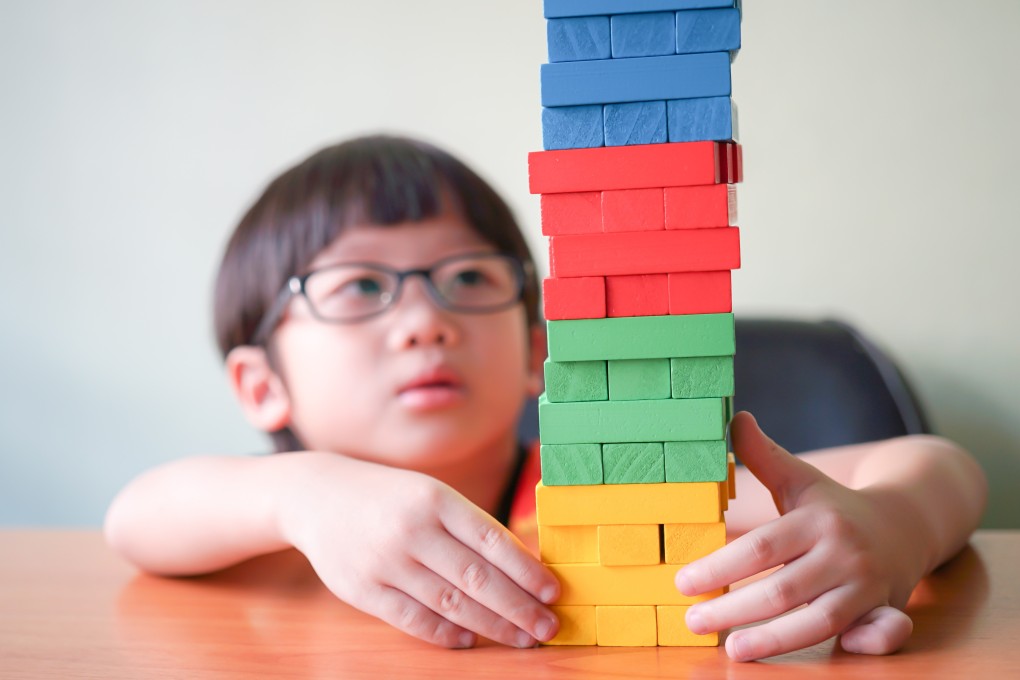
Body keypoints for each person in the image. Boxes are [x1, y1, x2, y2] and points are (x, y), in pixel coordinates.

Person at [104, 134, 987, 662]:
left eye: (467, 279)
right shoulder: (277, 519)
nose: (425, 322)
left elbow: (935, 464)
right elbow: (134, 519)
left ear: (536, 354)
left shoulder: (615, 495)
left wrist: (897, 525)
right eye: (362, 287)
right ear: (261, 386)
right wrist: (299, 493)